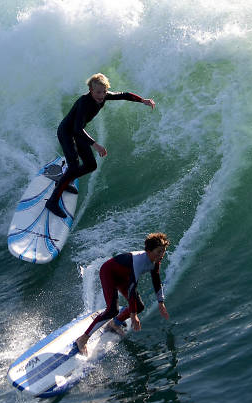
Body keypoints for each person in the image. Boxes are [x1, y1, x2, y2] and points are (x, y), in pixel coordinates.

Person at [45, 73, 156, 218]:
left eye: (104, 91)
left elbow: (124, 94)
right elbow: (77, 128)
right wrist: (95, 144)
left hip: (78, 133)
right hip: (67, 132)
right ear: (91, 90)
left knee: (91, 165)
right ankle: (52, 202)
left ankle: (65, 180)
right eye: (98, 92)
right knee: (73, 166)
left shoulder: (103, 95)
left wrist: (143, 100)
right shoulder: (85, 102)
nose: (102, 95)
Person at [75, 232, 170, 355]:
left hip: (124, 276)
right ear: (149, 251)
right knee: (112, 310)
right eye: (159, 251)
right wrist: (133, 314)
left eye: (163, 251)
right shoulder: (139, 261)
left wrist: (161, 302)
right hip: (109, 273)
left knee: (139, 306)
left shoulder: (156, 261)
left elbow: (156, 280)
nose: (162, 255)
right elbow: (131, 288)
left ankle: (115, 323)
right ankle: (83, 339)